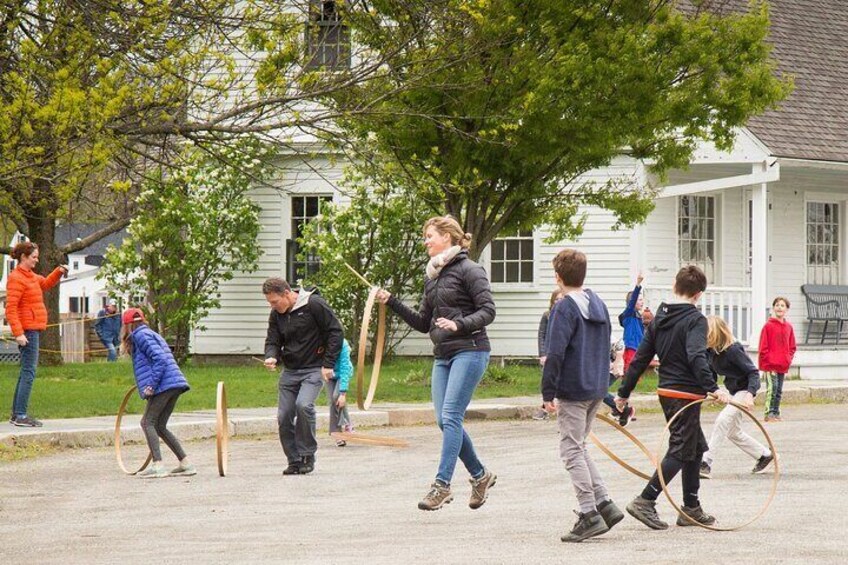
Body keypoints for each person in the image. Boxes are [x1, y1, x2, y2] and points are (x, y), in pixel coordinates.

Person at [375, 216, 497, 511]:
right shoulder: (433, 276)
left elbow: (488, 311)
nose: (426, 241)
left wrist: (459, 325)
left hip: (471, 349)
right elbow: (422, 323)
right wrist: (392, 302)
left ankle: (441, 485)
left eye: (430, 236)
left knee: (452, 416)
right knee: (444, 421)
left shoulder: (470, 270)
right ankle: (480, 475)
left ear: (448, 237)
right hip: (443, 355)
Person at [615, 265, 731, 530]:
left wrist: (623, 393)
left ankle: (690, 507)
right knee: (681, 447)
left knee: (695, 446)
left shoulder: (659, 317)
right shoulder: (695, 320)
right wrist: (713, 387)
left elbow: (641, 358)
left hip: (667, 392)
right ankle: (646, 500)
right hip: (685, 393)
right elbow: (696, 355)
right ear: (699, 294)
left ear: (674, 286)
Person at [541, 249, 624, 543]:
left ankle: (589, 513)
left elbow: (555, 353)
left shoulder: (564, 308)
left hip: (573, 388)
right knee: (580, 446)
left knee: (570, 450)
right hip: (596, 386)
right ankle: (604, 504)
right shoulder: (598, 304)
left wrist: (547, 392)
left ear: (558, 277)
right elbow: (606, 347)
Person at [263, 278, 343, 475]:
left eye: (274, 302)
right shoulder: (277, 314)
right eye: (270, 302)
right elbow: (273, 339)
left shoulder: (314, 305)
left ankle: (307, 455)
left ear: (287, 294)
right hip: (290, 371)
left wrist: (328, 364)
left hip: (314, 368)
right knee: (284, 415)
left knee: (304, 405)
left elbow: (335, 332)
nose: (272, 306)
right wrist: (271, 356)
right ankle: (294, 459)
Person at [121, 308, 195, 479]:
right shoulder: (150, 333)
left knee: (147, 422)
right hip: (174, 383)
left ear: (127, 325)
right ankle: (186, 463)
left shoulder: (140, 335)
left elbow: (160, 359)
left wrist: (151, 385)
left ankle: (158, 465)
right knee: (159, 425)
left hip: (164, 385)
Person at [699, 316, 774, 479]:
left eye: (707, 334)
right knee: (733, 432)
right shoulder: (710, 351)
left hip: (744, 390)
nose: (703, 338)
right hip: (733, 391)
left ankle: (706, 461)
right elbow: (710, 374)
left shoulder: (733, 350)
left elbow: (753, 372)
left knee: (722, 420)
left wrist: (749, 395)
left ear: (716, 334)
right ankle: (764, 455)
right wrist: (713, 391)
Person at [4, 241, 67, 427]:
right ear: (23, 257)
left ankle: (16, 414)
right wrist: (18, 333)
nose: (36, 260)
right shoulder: (16, 278)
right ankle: (21, 414)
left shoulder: (30, 276)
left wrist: (58, 272)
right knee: (29, 372)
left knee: (26, 372)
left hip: (33, 328)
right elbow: (11, 309)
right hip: (27, 331)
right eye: (34, 257)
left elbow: (46, 283)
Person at [758, 297, 796, 422]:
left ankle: (776, 411)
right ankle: (768, 413)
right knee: (772, 389)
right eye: (777, 305)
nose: (780, 307)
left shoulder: (789, 327)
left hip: (782, 364)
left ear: (787, 309)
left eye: (783, 305)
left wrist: (788, 358)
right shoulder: (768, 326)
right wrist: (767, 360)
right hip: (770, 365)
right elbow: (763, 347)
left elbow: (792, 346)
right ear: (774, 308)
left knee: (779, 390)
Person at [533, 290, 563, 420]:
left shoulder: (567, 315)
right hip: (549, 352)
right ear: (552, 301)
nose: (559, 302)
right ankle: (545, 407)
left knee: (559, 381)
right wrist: (543, 354)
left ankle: (548, 407)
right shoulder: (547, 316)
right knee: (547, 380)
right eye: (556, 299)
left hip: (562, 353)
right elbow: (542, 335)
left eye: (561, 299)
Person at [327, 338, 354, 447]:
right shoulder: (321, 341)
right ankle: (338, 433)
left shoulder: (343, 344)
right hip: (329, 374)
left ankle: (347, 424)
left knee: (337, 396)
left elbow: (344, 368)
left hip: (343, 373)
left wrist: (343, 393)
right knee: (333, 403)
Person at [619, 274, 647, 373]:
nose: (642, 302)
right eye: (639, 300)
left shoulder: (639, 316)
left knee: (636, 372)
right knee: (630, 370)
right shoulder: (629, 313)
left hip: (638, 347)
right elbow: (633, 300)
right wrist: (638, 284)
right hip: (631, 346)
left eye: (642, 299)